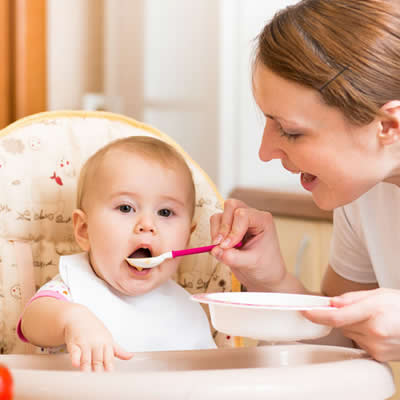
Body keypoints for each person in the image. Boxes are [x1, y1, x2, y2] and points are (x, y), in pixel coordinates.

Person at [210, 0, 400, 362]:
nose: (265, 151)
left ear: (388, 126)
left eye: (291, 132)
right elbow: (342, 339)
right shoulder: (362, 195)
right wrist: (271, 281)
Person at [18, 136, 216, 372]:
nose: (147, 224)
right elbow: (31, 323)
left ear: (187, 238)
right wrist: (72, 320)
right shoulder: (72, 291)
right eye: (126, 208)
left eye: (165, 212)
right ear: (84, 229)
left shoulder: (187, 310)